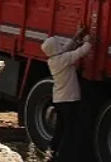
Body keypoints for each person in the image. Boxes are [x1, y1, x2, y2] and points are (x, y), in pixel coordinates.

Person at [41, 26, 93, 162]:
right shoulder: (62, 59)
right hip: (68, 100)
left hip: (59, 100)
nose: (60, 45)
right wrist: (89, 41)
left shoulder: (54, 59)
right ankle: (64, 156)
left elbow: (67, 49)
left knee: (60, 129)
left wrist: (77, 36)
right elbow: (82, 51)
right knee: (70, 130)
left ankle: (51, 153)